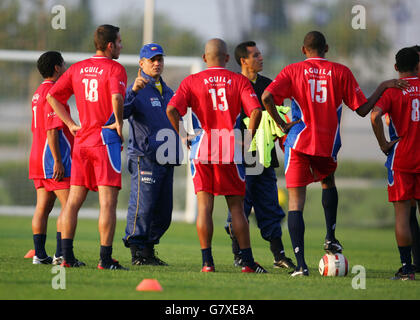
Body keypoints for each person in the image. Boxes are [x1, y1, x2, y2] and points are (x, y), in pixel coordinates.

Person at [261, 30, 408, 276]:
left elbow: (267, 97)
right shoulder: (341, 72)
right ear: (326, 48)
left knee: (296, 203)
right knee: (328, 181)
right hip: (327, 145)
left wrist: (279, 123)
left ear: (303, 50)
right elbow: (363, 110)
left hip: (298, 142)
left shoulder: (292, 70)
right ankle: (330, 236)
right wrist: (383, 85)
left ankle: (301, 266)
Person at [166, 38, 267, 273]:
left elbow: (171, 109)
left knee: (204, 207)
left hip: (201, 148)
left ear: (204, 58)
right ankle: (248, 263)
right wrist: (249, 138)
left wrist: (183, 135)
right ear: (228, 58)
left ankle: (207, 263)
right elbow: (256, 111)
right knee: (236, 208)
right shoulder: (238, 80)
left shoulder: (192, 81)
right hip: (230, 148)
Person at [47, 24, 128, 270]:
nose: (122, 46)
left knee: (72, 202)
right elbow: (116, 97)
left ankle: (66, 257)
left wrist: (71, 124)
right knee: (107, 203)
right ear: (110, 45)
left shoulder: (78, 68)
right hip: (105, 141)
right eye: (120, 42)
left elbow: (52, 96)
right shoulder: (115, 68)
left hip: (81, 142)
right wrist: (119, 123)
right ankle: (104, 259)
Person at [224, 41, 295, 270]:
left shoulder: (269, 86)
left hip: (264, 156)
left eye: (260, 54)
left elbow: (278, 120)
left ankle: (279, 256)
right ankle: (239, 256)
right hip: (240, 157)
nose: (261, 58)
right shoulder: (232, 85)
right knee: (240, 208)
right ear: (243, 60)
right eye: (255, 55)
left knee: (270, 206)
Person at [122, 43, 182, 266]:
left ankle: (148, 250)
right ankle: (137, 251)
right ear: (141, 63)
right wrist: (132, 91)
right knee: (143, 206)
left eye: (160, 59)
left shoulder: (168, 91)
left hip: (167, 157)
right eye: (152, 59)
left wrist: (186, 139)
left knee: (164, 211)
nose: (157, 63)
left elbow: (179, 120)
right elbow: (120, 113)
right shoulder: (136, 89)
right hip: (144, 156)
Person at [371, 47, 420, 280]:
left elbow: (374, 116)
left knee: (402, 216)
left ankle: (406, 269)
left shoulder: (394, 91)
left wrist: (383, 144)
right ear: (418, 66)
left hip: (402, 159)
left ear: (396, 68)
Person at [29, 51, 72, 265]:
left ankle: (39, 254)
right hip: (51, 156)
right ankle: (60, 254)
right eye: (63, 65)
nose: (65, 68)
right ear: (57, 67)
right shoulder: (54, 92)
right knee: (68, 205)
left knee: (43, 207)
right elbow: (52, 129)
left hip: (36, 154)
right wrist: (57, 160)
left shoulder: (38, 92)